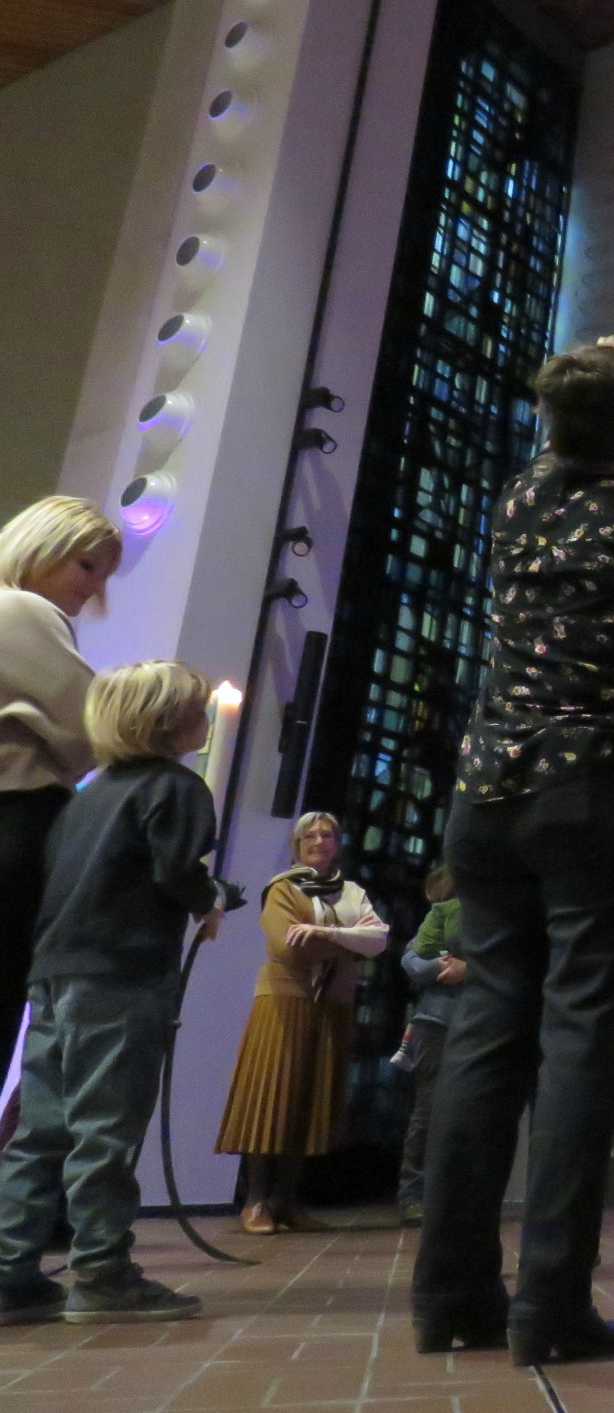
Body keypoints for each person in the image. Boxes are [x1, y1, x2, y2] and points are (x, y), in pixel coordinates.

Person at [411, 320, 614, 1367]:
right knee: (581, 1035)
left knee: (484, 1033)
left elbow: (560, 433)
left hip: (488, 793)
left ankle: (450, 1295)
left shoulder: (515, 502)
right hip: (599, 789)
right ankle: (549, 1304)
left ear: (551, 425)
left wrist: (590, 369)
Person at [0, 662, 226, 1325]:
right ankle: (102, 1272)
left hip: (54, 973)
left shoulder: (86, 794)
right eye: (195, 707)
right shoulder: (178, 788)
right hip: (121, 974)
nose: (205, 717)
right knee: (106, 1127)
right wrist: (209, 899)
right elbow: (178, 869)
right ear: (165, 720)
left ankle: (10, 1273)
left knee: (41, 1130)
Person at [0, 496, 121, 1117]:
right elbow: (90, 732)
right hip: (13, 822)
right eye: (87, 566)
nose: (94, 592)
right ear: (42, 546)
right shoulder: (22, 608)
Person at [215, 811, 388, 1234]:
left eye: (328, 834)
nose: (319, 840)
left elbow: (378, 941)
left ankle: (286, 1200)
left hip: (332, 1003)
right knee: (268, 1094)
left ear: (338, 843)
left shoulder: (351, 891)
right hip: (284, 1000)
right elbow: (287, 946)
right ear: (297, 844)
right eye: (310, 834)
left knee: (311, 1100)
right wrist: (348, 938)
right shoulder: (283, 888)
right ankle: (255, 1201)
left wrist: (325, 934)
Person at [396, 866, 465, 1226]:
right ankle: (414, 1196)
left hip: (475, 1024)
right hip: (437, 1022)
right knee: (428, 1111)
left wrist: (470, 968)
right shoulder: (441, 917)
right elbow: (411, 960)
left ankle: (452, 1195)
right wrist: (444, 964)